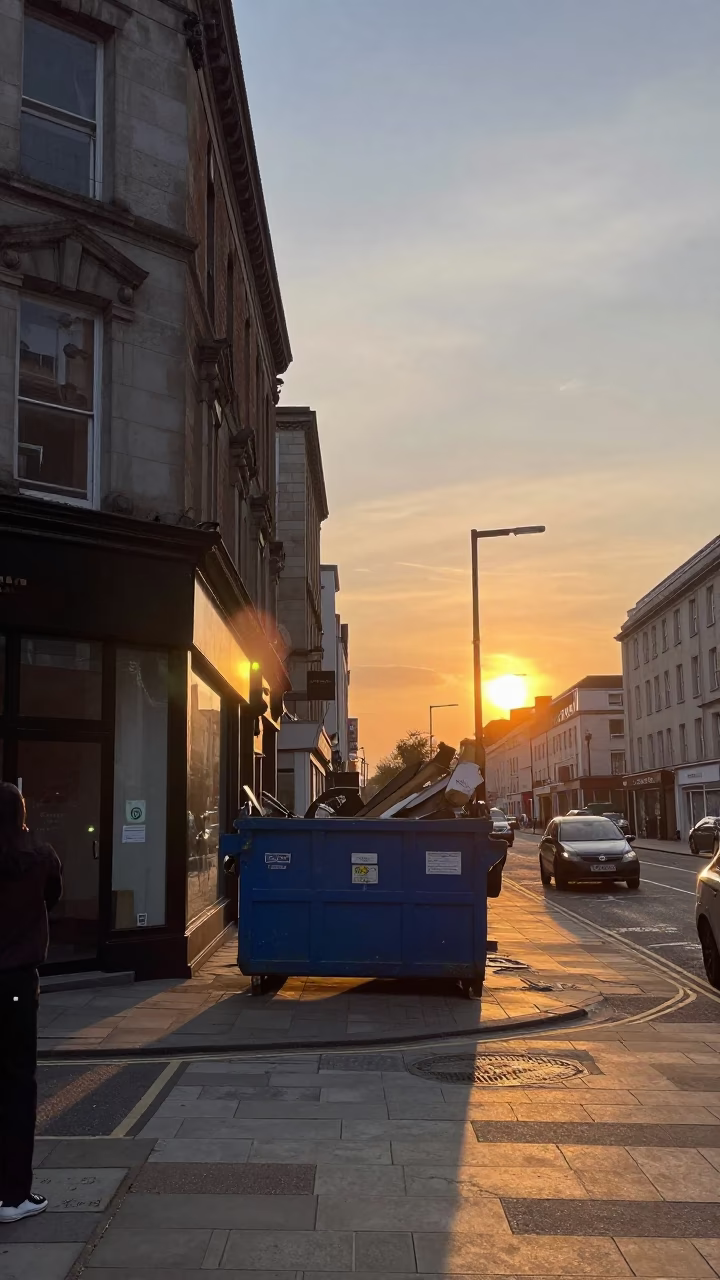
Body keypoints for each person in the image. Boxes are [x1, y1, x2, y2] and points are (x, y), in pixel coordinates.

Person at [0, 783, 62, 1223]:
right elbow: (52, 897)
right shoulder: (41, 857)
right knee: (18, 1086)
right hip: (17, 983)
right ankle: (13, 1197)